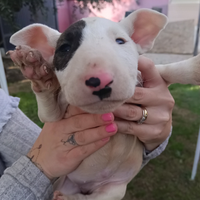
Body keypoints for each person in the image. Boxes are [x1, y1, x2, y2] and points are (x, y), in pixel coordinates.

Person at [0, 56, 174, 200]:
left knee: (115, 191)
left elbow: (45, 131)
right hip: (74, 181)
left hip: (100, 176)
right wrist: (39, 168)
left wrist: (151, 132)